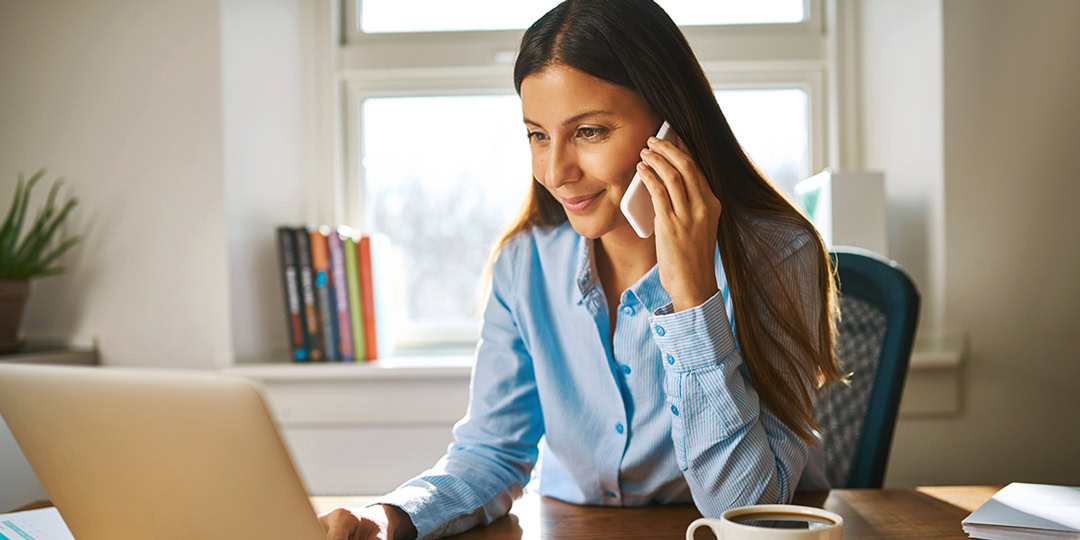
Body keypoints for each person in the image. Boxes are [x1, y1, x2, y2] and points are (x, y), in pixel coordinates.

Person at [319, 1, 842, 538]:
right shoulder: (526, 263)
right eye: (538, 135)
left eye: (590, 132)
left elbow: (745, 509)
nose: (556, 171)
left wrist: (692, 296)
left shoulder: (778, 256)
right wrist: (388, 519)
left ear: (671, 124)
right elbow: (491, 453)